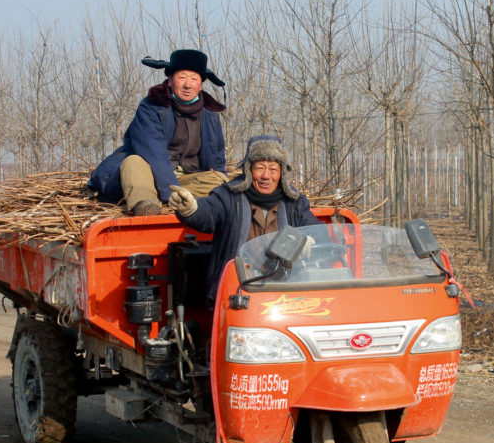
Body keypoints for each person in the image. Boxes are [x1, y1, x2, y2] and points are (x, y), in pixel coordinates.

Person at [168, 134, 322, 305]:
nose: (266, 176)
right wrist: (191, 208)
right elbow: (208, 213)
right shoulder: (229, 196)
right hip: (236, 294)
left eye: (273, 169)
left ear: (281, 173)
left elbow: (319, 230)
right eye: (260, 168)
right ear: (249, 169)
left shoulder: (294, 202)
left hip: (284, 295)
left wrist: (309, 238)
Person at [88, 49, 229, 215]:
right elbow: (154, 155)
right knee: (133, 162)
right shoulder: (152, 107)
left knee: (220, 181)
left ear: (201, 85)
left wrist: (225, 193)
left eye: (194, 78)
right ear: (170, 81)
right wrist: (171, 194)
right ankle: (147, 206)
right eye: (182, 77)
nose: (188, 84)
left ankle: (182, 200)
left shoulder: (210, 114)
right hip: (149, 177)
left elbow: (217, 159)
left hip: (186, 179)